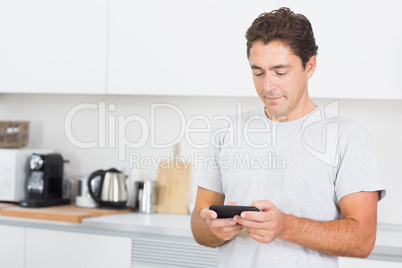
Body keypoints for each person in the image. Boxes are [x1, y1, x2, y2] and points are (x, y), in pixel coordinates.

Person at [191, 7, 386, 267]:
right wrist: (212, 229)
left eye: (280, 72)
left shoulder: (348, 136)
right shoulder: (226, 131)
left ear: (310, 66)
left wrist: (285, 227)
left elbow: (362, 240)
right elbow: (198, 226)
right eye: (258, 72)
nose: (267, 86)